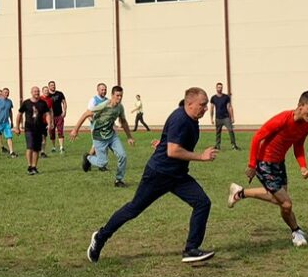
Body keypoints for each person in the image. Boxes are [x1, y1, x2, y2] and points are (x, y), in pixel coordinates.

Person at [86, 87, 217, 264]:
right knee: (133, 209)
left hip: (177, 175)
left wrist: (161, 144)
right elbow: (173, 151)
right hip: (159, 174)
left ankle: (191, 250)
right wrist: (201, 156)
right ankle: (100, 238)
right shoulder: (181, 119)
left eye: (206, 105)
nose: (206, 108)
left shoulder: (191, 119)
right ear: (190, 103)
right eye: (202, 105)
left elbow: (170, 142)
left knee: (202, 203)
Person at [227, 90, 308, 247]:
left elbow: (298, 146)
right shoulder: (283, 119)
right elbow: (257, 137)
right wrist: (252, 165)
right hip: (264, 163)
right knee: (286, 203)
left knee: (277, 199)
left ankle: (240, 193)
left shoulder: (307, 126)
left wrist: (303, 166)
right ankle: (296, 232)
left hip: (279, 163)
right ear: (300, 106)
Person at [70, 85, 135, 187]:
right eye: (117, 95)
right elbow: (86, 114)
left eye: (121, 96)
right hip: (99, 137)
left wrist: (129, 137)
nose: (119, 98)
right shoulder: (104, 105)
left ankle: (119, 180)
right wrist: (75, 130)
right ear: (112, 95)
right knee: (102, 163)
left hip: (112, 136)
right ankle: (88, 157)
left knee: (123, 156)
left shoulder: (120, 107)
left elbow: (123, 121)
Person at [17, 86, 51, 174]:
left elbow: (47, 114)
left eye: (38, 91)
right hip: (29, 128)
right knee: (30, 146)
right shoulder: (26, 103)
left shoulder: (42, 103)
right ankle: (29, 166)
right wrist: (17, 127)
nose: (37, 93)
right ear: (31, 92)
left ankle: (34, 166)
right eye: (35, 91)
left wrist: (49, 124)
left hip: (39, 129)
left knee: (36, 149)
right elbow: (19, 114)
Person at [210, 82, 240, 150]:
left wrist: (232, 117)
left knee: (230, 130)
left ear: (222, 88)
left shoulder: (226, 97)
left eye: (221, 87)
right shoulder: (213, 98)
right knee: (218, 132)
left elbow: (229, 107)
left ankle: (234, 145)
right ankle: (217, 145)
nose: (219, 88)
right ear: (216, 88)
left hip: (226, 117)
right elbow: (212, 108)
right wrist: (211, 118)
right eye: (218, 87)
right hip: (218, 118)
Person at [44, 80, 67, 152]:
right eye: (51, 85)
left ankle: (61, 147)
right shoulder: (47, 96)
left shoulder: (59, 94)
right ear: (49, 86)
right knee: (52, 132)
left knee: (60, 131)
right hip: (50, 117)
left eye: (53, 85)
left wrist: (64, 111)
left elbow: (64, 102)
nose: (53, 86)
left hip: (59, 116)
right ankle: (53, 147)